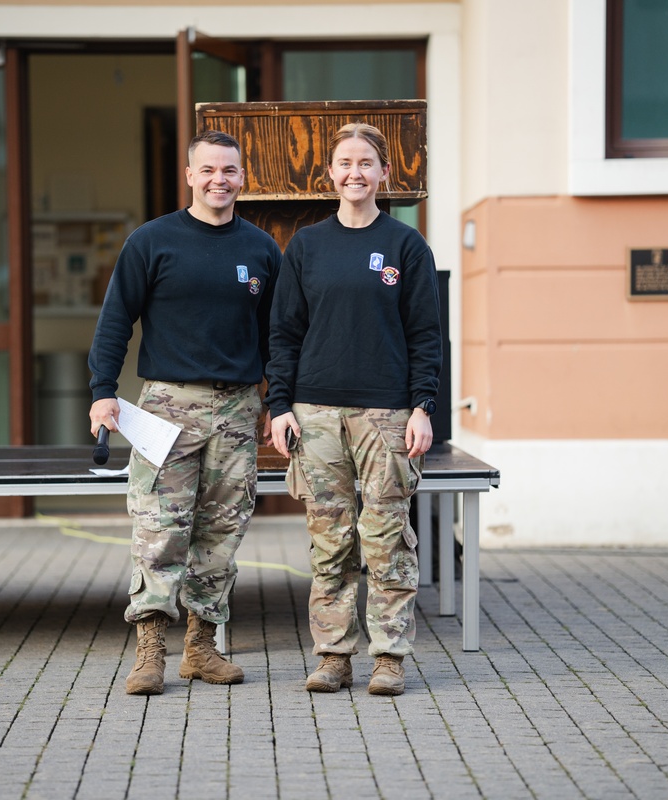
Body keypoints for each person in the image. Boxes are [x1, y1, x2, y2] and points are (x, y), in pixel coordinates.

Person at [88, 129, 281, 696]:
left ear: (243, 177)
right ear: (190, 176)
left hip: (238, 408)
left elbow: (277, 336)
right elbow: (114, 322)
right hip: (166, 406)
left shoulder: (261, 249)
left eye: (230, 171)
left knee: (221, 530)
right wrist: (103, 390)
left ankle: (200, 649)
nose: (219, 180)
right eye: (209, 170)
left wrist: (279, 400)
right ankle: (150, 651)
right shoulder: (152, 242)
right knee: (159, 529)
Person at [265, 122, 442, 696]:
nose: (355, 172)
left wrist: (422, 405)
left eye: (367, 162)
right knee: (330, 540)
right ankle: (333, 656)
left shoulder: (406, 246)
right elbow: (284, 334)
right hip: (315, 414)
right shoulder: (308, 247)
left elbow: (425, 334)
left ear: (384, 173)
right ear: (331, 174)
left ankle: (388, 656)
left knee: (387, 536)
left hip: (386, 414)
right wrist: (280, 405)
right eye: (345, 163)